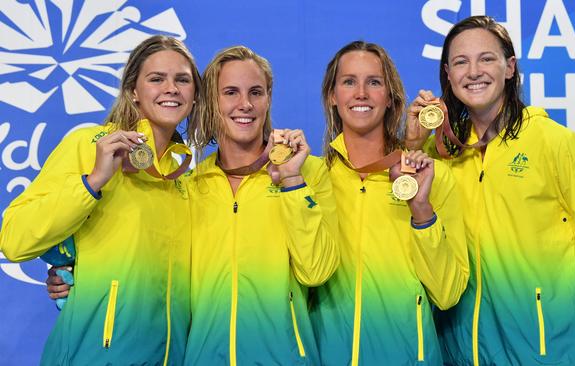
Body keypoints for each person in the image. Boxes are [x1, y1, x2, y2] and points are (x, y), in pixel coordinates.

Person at [405, 15, 575, 365]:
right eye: (461, 62)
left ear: (510, 67)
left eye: (487, 58)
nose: (473, 71)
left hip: (544, 354)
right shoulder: (443, 155)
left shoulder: (557, 145)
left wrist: (564, 331)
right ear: (448, 74)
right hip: (461, 353)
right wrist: (411, 142)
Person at [0, 35, 200, 365]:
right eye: (156, 79)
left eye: (182, 79)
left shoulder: (187, 179)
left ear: (194, 96)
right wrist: (92, 182)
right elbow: (15, 239)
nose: (172, 88)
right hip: (93, 355)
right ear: (133, 91)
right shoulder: (90, 145)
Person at [310, 41, 469, 365]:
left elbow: (448, 292)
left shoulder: (432, 177)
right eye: (349, 81)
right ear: (332, 96)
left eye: (374, 82)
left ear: (391, 97)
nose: (361, 93)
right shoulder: (311, 177)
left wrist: (421, 211)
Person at [183, 45, 340, 365]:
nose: (245, 104)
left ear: (268, 99)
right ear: (212, 101)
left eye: (256, 92)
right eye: (230, 92)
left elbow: (317, 271)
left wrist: (292, 181)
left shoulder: (310, 171)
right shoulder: (190, 187)